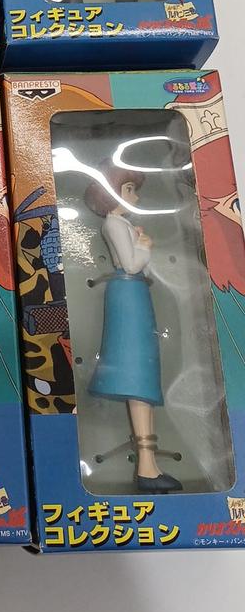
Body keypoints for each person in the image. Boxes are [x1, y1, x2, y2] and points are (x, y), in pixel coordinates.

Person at [85, 161, 182, 493]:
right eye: (128, 189)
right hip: (128, 293)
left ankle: (149, 464)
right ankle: (146, 466)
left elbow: (141, 268)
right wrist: (143, 247)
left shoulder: (121, 224)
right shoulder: (113, 224)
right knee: (137, 374)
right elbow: (130, 264)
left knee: (143, 375)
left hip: (134, 293)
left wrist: (141, 244)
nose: (135, 197)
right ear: (110, 193)